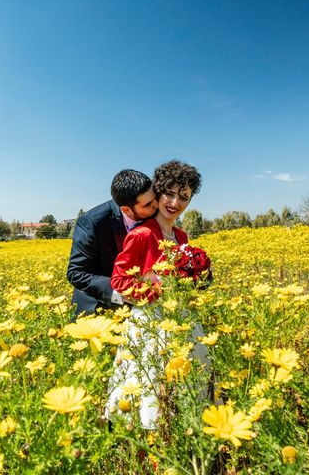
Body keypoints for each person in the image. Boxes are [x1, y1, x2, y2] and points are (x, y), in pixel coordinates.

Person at [106, 160, 209, 429]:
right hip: (151, 326)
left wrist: (196, 282)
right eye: (170, 193)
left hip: (182, 322)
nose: (175, 202)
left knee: (186, 391)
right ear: (158, 192)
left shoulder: (182, 236)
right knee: (148, 396)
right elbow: (119, 281)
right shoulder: (141, 234)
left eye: (184, 197)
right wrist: (156, 289)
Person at [66, 169, 158, 317]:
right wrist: (121, 293)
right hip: (97, 308)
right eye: (148, 204)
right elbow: (76, 273)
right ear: (126, 210)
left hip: (144, 311)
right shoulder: (92, 222)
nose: (156, 206)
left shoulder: (155, 214)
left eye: (155, 199)